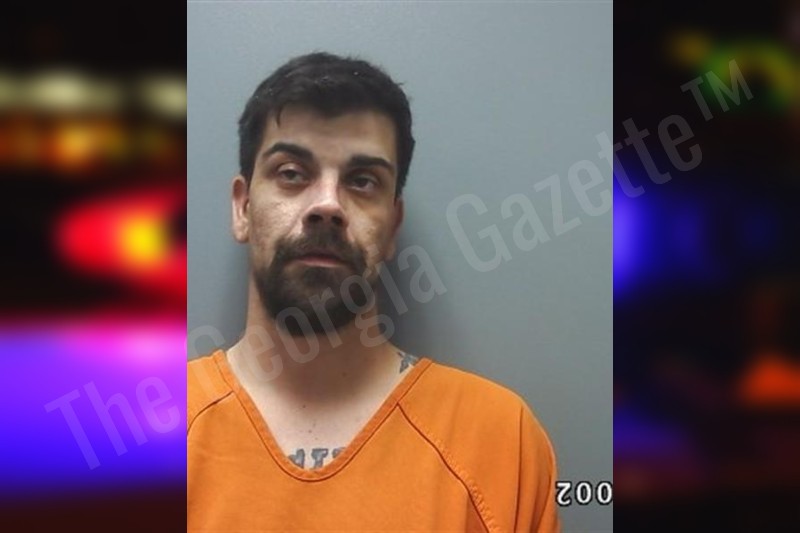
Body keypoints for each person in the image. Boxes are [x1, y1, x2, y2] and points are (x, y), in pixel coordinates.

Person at [187, 52, 560, 532]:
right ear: (242, 208)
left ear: (392, 228)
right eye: (291, 173)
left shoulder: (502, 442)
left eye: (362, 181)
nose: (327, 205)